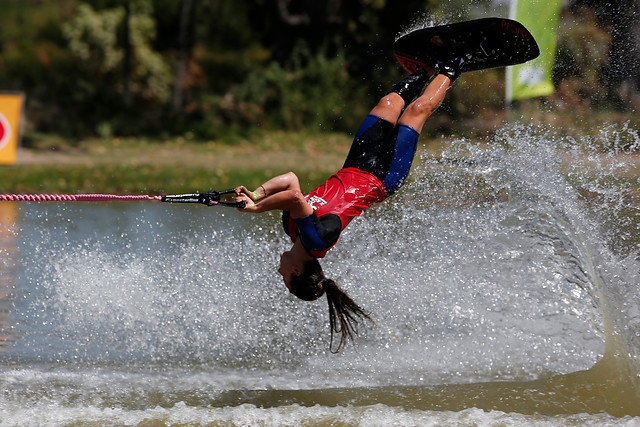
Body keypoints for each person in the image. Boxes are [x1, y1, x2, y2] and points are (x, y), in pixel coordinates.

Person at [235, 57, 463, 352]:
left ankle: (426, 71)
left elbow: (291, 181)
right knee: (415, 112)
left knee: (388, 104)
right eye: (285, 279)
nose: (279, 272)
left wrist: (256, 193)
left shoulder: (291, 228)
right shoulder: (316, 241)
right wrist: (255, 208)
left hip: (355, 165)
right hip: (382, 177)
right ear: (297, 273)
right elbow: (293, 198)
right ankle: (454, 67)